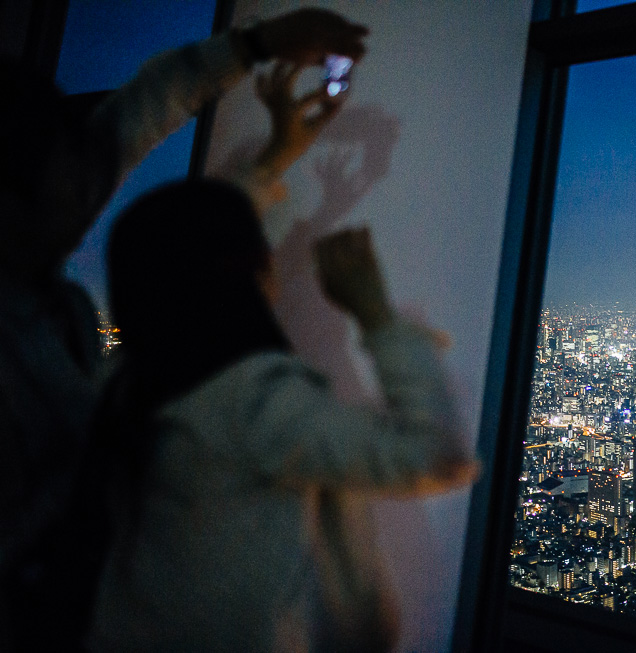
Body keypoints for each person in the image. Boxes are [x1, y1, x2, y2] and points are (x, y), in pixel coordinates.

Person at [0, 9, 368, 650]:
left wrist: (275, 139)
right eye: (68, 166)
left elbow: (147, 127)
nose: (90, 181)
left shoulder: (49, 307)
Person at [87, 60, 474, 652]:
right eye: (260, 246)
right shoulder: (255, 403)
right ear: (248, 273)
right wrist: (377, 316)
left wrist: (276, 153)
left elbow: (187, 249)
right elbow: (436, 455)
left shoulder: (126, 381)